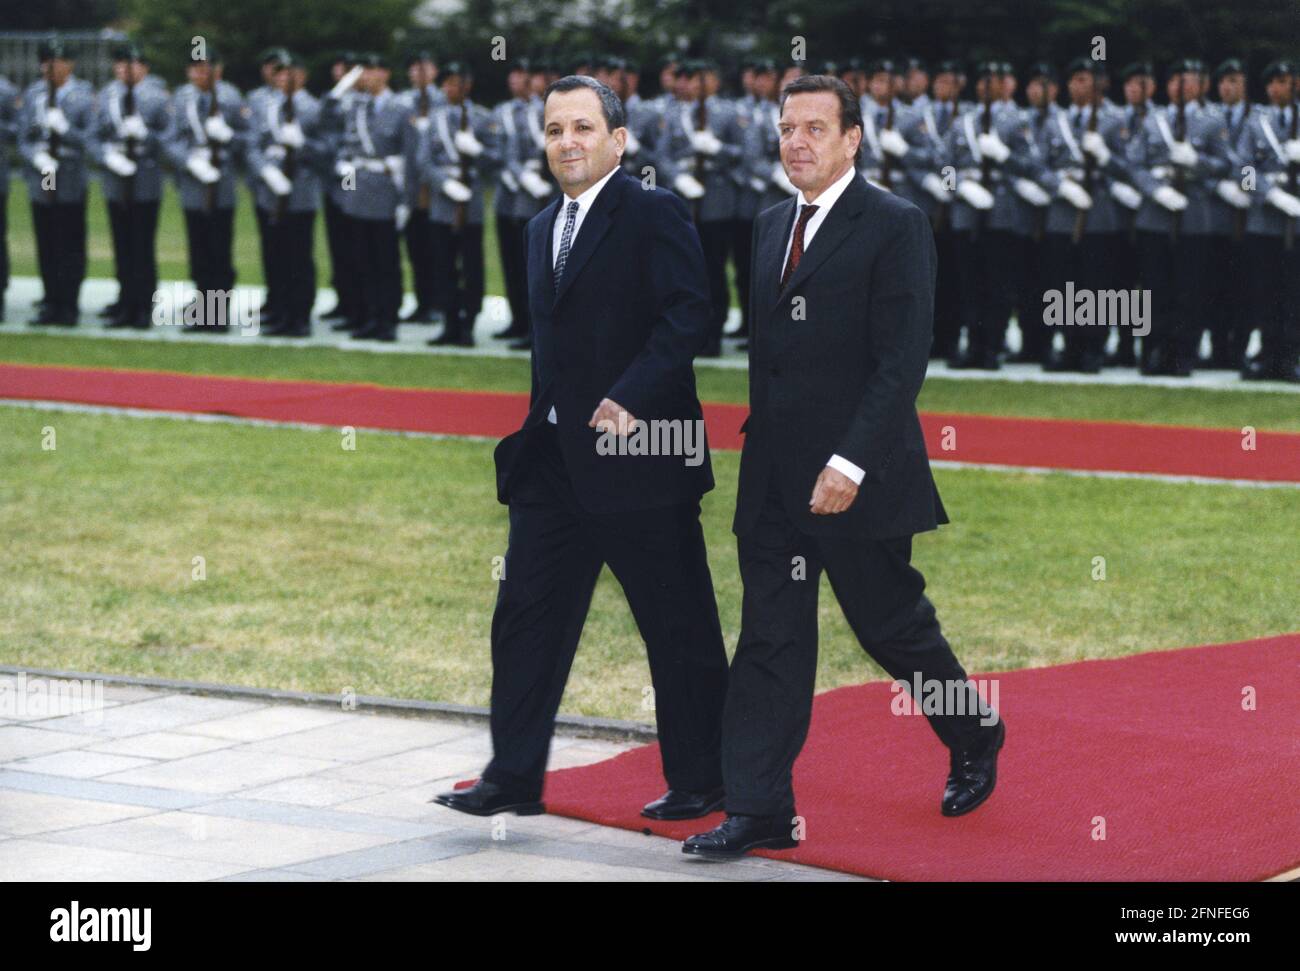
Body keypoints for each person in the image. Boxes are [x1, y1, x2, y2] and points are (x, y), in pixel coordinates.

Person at [684, 75, 1003, 861]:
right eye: (787, 128)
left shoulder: (895, 225)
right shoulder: (766, 226)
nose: (796, 141)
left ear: (852, 139)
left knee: (890, 627)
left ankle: (972, 728)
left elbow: (900, 361)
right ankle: (759, 809)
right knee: (769, 640)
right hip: (773, 483)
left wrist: (849, 461)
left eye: (814, 128)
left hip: (857, 476)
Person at [432, 75, 729, 823]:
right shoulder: (539, 229)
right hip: (554, 470)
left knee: (677, 626)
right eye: (556, 129)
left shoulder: (653, 211)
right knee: (524, 620)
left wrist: (634, 395)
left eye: (584, 128)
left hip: (643, 463)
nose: (568, 141)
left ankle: (704, 779)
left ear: (618, 140)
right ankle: (513, 776)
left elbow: (691, 315)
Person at [163, 46, 247, 332]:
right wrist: (189, 161)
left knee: (219, 249)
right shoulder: (181, 97)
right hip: (194, 181)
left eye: (208, 67)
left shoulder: (231, 97)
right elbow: (170, 139)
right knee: (198, 249)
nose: (202, 73)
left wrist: (229, 137)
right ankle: (202, 308)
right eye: (196, 68)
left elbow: (247, 141)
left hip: (221, 181)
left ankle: (218, 313)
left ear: (219, 70)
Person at [420, 61, 501, 347]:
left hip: (472, 200)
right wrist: (444, 183)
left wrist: (477, 150)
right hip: (444, 201)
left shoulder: (482, 118)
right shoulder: (434, 119)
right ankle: (449, 322)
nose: (451, 88)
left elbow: (497, 159)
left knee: (471, 266)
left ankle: (469, 322)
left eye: (457, 82)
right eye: (447, 83)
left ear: (468, 85)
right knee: (443, 266)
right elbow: (424, 161)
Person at [90, 43, 170, 330]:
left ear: (144, 68)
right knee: (122, 245)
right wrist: (107, 156)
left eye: (133, 63)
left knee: (142, 246)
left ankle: (143, 305)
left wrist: (147, 136)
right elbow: (94, 136)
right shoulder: (107, 95)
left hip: (145, 181)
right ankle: (125, 301)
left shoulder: (157, 97)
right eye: (121, 64)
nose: (126, 69)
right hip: (116, 180)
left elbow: (169, 139)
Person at [19, 38, 96, 326]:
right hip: (45, 174)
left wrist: (66, 130)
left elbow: (90, 140)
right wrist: (36, 157)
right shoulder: (33, 94)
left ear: (70, 64)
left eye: (58, 61)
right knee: (46, 238)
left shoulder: (83, 95)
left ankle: (69, 303)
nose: (52, 67)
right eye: (47, 62)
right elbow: (24, 138)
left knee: (69, 239)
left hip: (69, 173)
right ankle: (50, 300)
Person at [248, 53, 324, 338]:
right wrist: (266, 171)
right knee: (275, 253)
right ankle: (279, 311)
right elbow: (253, 145)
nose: (283, 79)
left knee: (299, 256)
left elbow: (327, 151)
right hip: (272, 189)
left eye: (289, 73)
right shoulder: (266, 106)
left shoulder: (314, 108)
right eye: (279, 74)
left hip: (300, 191)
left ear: (302, 76)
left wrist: (303, 145)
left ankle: (300, 316)